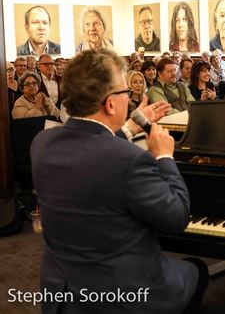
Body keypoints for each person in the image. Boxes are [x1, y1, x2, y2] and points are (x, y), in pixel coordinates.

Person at [30, 49, 208, 314]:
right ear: (111, 104)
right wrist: (165, 157)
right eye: (126, 93)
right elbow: (177, 216)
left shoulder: (42, 143)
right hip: (125, 293)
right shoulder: (130, 160)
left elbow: (94, 152)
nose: (129, 98)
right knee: (198, 270)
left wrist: (129, 128)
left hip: (62, 290)